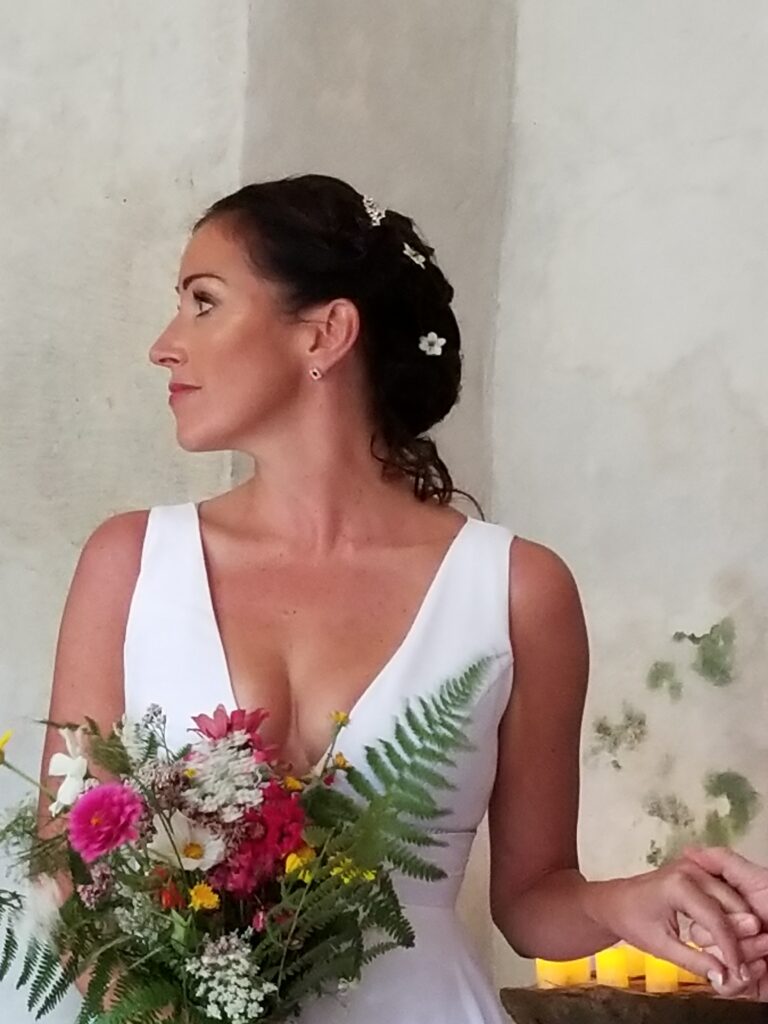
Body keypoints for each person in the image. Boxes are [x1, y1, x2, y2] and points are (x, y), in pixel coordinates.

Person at [40, 174, 757, 1021]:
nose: (164, 345)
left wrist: (630, 899)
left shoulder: (518, 589)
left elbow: (532, 899)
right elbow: (64, 862)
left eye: (203, 301)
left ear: (325, 332)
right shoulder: (128, 561)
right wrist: (157, 1012)